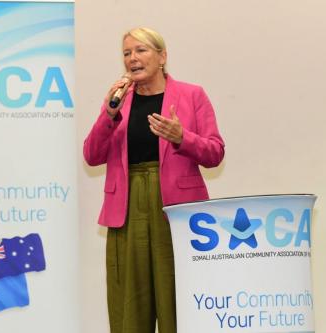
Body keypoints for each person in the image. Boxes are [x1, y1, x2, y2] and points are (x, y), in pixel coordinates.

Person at [83, 27, 225, 333]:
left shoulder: (192, 95)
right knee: (130, 302)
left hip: (176, 211)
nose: (132, 58)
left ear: (162, 56)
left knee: (178, 297)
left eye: (141, 50)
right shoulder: (118, 101)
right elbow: (92, 155)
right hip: (127, 208)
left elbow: (215, 153)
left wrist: (182, 137)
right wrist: (109, 115)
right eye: (126, 53)